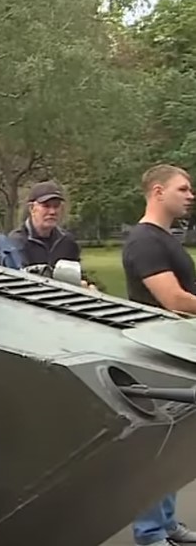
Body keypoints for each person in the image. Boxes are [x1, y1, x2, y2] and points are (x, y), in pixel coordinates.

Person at [122, 164, 196, 546]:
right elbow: (174, 300)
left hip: (176, 350)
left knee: (174, 440)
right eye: (183, 188)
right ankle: (150, 533)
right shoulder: (144, 241)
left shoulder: (164, 238)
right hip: (155, 354)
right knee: (157, 445)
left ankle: (165, 524)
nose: (190, 195)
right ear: (157, 191)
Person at [8, 180, 82, 269]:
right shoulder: (16, 242)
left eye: (56, 206)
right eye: (46, 206)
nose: (52, 212)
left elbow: (76, 273)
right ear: (32, 208)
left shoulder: (67, 242)